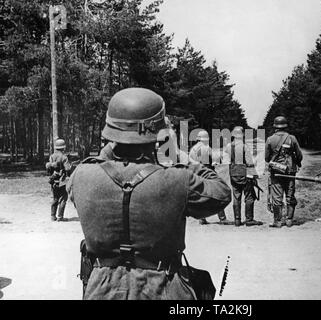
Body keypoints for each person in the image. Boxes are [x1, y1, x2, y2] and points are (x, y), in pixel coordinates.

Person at [67, 88, 231, 300]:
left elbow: (100, 164)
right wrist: (175, 153)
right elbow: (221, 193)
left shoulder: (81, 176)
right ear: (158, 133)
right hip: (161, 288)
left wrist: (112, 145)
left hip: (101, 290)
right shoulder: (177, 180)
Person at [265, 116, 303, 228]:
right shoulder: (292, 138)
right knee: (290, 195)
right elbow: (299, 155)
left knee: (277, 196)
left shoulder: (270, 139)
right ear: (285, 126)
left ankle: (277, 221)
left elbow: (266, 158)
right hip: (290, 171)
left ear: (275, 127)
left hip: (276, 172)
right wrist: (295, 162)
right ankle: (289, 220)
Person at [224, 126, 263, 226]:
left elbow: (227, 161)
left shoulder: (229, 146)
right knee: (249, 197)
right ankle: (249, 219)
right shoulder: (244, 146)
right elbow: (249, 163)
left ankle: (237, 220)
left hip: (233, 173)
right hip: (244, 174)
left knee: (236, 197)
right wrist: (254, 175)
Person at [189, 130, 229, 225]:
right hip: (208, 172)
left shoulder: (193, 149)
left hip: (197, 173)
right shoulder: (206, 148)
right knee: (218, 193)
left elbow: (190, 161)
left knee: (201, 195)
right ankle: (222, 218)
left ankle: (202, 218)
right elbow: (216, 159)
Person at [46, 138, 71, 222]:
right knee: (63, 198)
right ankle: (60, 217)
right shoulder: (64, 157)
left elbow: (50, 168)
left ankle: (53, 216)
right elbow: (67, 169)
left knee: (55, 198)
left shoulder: (52, 156)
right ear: (63, 148)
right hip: (62, 181)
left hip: (53, 180)